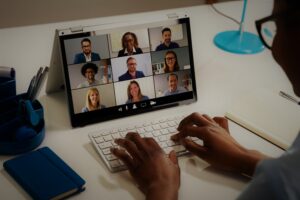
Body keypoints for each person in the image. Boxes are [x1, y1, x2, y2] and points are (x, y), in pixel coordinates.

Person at [111, 0, 300, 199]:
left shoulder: (281, 184)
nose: (274, 49)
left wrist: (161, 185)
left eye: (278, 25)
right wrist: (243, 157)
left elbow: (287, 177)